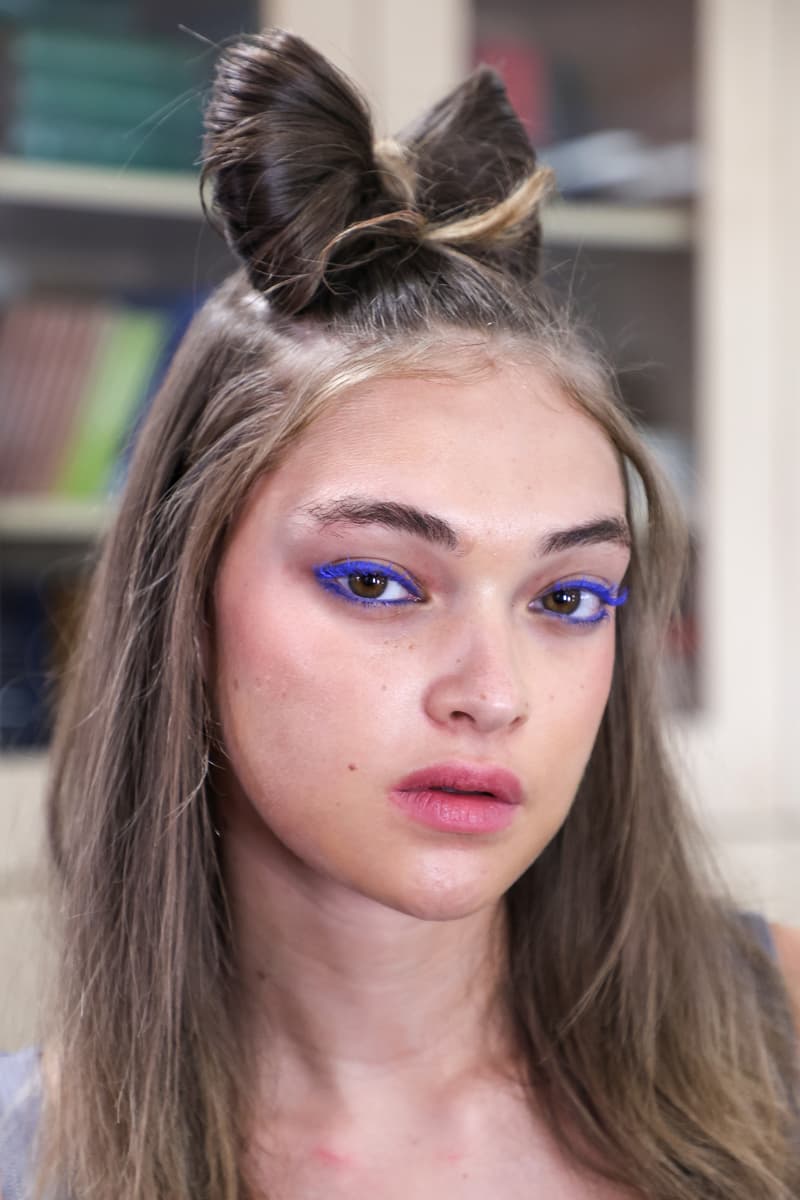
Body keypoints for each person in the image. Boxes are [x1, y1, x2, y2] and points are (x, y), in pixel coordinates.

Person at [1, 27, 798, 1200]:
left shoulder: (778, 1024)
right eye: (376, 582)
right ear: (187, 605)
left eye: (567, 597)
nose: (492, 692)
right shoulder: (30, 1161)